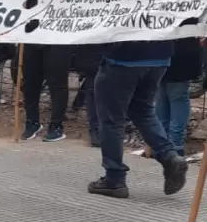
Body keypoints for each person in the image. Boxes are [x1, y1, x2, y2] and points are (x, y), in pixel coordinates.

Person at [88, 39, 189, 199]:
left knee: (111, 119)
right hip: (159, 55)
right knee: (143, 110)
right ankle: (169, 156)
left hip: (124, 56)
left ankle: (115, 178)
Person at [156, 37, 201, 158]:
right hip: (182, 53)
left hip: (160, 51)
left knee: (162, 97)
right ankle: (174, 145)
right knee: (176, 98)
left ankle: (162, 144)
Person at [20, 44, 73, 142]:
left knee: (57, 84)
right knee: (30, 82)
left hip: (57, 39)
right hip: (33, 38)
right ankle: (32, 122)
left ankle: (56, 125)